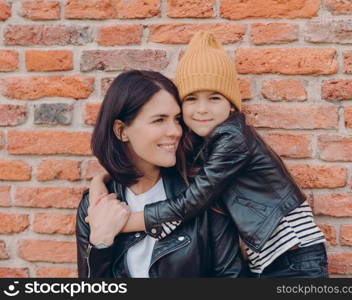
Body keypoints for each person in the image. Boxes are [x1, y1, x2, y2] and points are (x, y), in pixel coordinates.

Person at [89, 32, 328, 278]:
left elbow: (190, 202)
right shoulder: (204, 146)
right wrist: (99, 183)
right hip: (269, 262)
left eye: (214, 98)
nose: (202, 109)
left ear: (232, 105)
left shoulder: (232, 138)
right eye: (191, 99)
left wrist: (123, 224)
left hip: (296, 257)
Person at [76, 70, 245, 278]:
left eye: (177, 119)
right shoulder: (94, 207)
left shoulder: (202, 192)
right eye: (159, 120)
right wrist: (101, 240)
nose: (175, 131)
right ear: (121, 130)